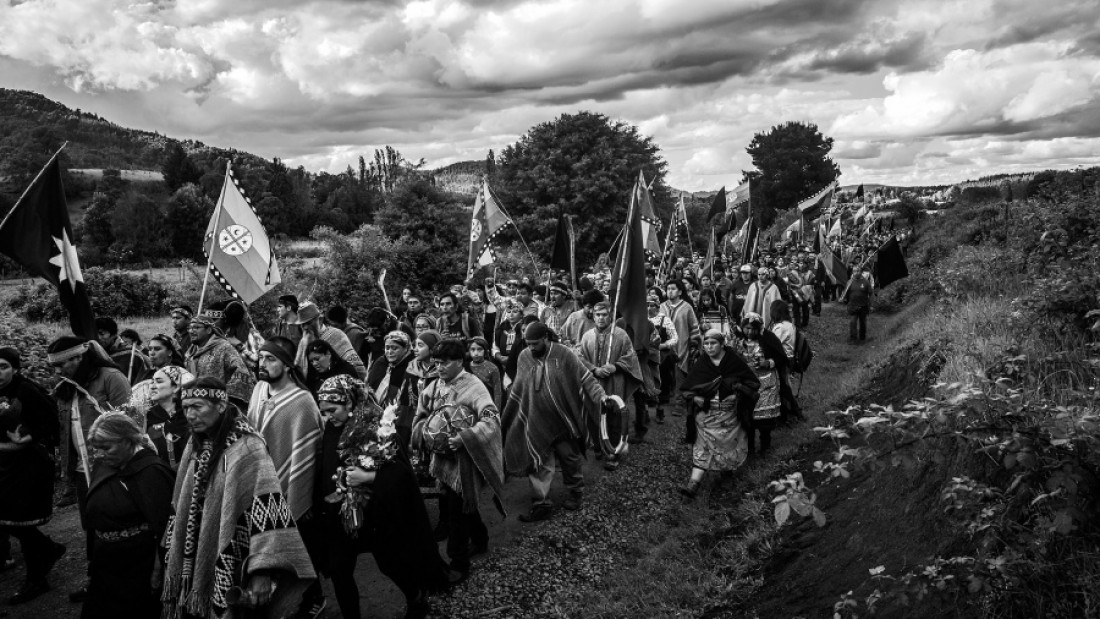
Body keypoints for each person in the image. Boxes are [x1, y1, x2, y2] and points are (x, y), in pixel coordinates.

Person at [162, 377, 316, 619]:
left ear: (221, 405)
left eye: (197, 406)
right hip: (196, 552)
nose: (190, 414)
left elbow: (269, 510)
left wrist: (261, 571)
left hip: (236, 556)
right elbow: (180, 500)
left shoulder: (248, 447)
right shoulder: (196, 441)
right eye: (185, 407)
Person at [314, 376, 454, 619]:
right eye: (323, 412)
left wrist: (368, 479)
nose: (327, 417)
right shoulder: (331, 428)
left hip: (376, 515)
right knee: (339, 570)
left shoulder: (378, 427)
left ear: (349, 402)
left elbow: (401, 475)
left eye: (332, 410)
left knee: (389, 563)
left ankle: (416, 598)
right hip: (340, 516)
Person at [246, 337, 326, 618]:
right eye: (261, 358)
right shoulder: (258, 389)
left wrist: (298, 492)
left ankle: (312, 597)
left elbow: (308, 451)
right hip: (258, 480)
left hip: (287, 482)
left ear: (288, 365)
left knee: (297, 546)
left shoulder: (302, 401)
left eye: (271, 359)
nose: (263, 364)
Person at [411, 339, 505, 576]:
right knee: (463, 505)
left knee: (456, 513)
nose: (439, 367)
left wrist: (464, 438)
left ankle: (459, 564)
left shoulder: (475, 387)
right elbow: (421, 415)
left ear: (459, 362)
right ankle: (481, 539)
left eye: (444, 363)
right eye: (436, 362)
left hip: (465, 461)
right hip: (442, 461)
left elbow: (492, 419)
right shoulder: (434, 386)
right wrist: (426, 432)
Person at [48, 335, 131, 603]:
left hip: (109, 468)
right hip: (83, 472)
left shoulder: (111, 378)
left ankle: (120, 580)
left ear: (79, 358)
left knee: (115, 524)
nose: (58, 371)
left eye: (63, 365)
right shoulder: (66, 385)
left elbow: (129, 422)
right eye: (55, 367)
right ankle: (97, 578)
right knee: (92, 524)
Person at [502, 322, 611, 523]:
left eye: (535, 343)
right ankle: (540, 502)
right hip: (536, 418)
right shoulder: (524, 356)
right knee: (539, 461)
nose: (531, 347)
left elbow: (586, 379)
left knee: (569, 458)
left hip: (563, 420)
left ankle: (575, 493)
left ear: (546, 338)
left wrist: (602, 397)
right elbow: (519, 387)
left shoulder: (564, 354)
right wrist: (511, 412)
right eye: (528, 343)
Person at [82, 413, 174, 619]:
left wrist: (158, 572)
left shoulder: (153, 472)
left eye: (106, 448)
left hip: (137, 568)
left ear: (126, 440)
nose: (100, 454)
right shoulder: (106, 467)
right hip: (106, 565)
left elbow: (165, 529)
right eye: (98, 448)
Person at [0, 347, 65, 605]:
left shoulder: (27, 390)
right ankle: (48, 550)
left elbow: (51, 421)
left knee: (20, 521)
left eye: (3, 366)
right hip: (6, 465)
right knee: (7, 519)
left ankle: (37, 579)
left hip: (30, 466)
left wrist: (27, 438)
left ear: (15, 368)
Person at [677, 330, 759, 498]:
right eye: (706, 344)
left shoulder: (734, 361)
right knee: (702, 448)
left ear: (722, 344)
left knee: (728, 447)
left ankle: (726, 475)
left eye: (713, 343)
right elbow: (687, 389)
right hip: (706, 418)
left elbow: (752, 383)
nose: (709, 347)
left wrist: (737, 390)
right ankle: (693, 484)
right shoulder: (702, 363)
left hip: (729, 418)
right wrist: (696, 398)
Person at [579, 302, 642, 469]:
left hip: (615, 381)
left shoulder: (620, 335)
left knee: (614, 416)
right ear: (593, 316)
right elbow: (580, 358)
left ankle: (613, 452)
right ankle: (599, 446)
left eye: (604, 314)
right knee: (594, 416)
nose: (601, 318)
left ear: (611, 316)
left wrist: (615, 366)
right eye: (598, 314)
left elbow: (630, 356)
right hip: (593, 382)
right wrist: (593, 369)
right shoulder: (587, 336)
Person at [737, 313, 787, 457]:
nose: (750, 332)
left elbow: (781, 357)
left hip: (766, 383)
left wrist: (768, 362)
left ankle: (765, 446)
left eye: (753, 328)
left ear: (759, 328)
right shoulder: (738, 341)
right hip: (747, 384)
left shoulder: (768, 339)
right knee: (747, 418)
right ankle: (750, 449)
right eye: (747, 328)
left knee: (765, 420)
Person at [184, 308, 255, 404]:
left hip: (218, 404)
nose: (191, 331)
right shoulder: (189, 354)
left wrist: (225, 397)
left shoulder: (223, 347)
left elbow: (241, 372)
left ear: (209, 330)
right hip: (195, 404)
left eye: (196, 327)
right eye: (190, 328)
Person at [365, 331, 416, 448]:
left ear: (406, 348)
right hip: (377, 414)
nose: (389, 352)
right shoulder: (381, 363)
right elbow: (370, 388)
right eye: (387, 348)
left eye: (395, 348)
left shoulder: (412, 367)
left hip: (400, 417)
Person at [296, 301, 368, 380]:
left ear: (320, 319)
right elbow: (298, 371)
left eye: (308, 322)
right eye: (302, 324)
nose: (305, 327)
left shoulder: (336, 335)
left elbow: (356, 368)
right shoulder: (303, 343)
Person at [661, 280, 701, 412]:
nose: (670, 291)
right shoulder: (662, 307)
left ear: (680, 291)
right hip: (664, 346)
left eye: (673, 289)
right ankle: (663, 398)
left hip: (682, 345)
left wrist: (694, 344)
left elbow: (694, 327)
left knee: (680, 374)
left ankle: (680, 402)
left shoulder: (687, 307)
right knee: (664, 372)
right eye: (668, 289)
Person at [146, 366, 194, 470]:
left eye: (158, 382)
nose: (152, 387)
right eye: (151, 382)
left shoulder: (190, 416)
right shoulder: (147, 417)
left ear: (175, 387)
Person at [646, 293, 678, 425]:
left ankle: (660, 410)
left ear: (657, 306)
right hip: (646, 357)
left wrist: (663, 345)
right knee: (647, 383)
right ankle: (645, 412)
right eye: (646, 305)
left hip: (662, 358)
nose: (648, 308)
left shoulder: (665, 320)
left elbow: (675, 338)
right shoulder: (642, 320)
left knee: (663, 383)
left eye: (651, 305)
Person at [95, 316, 150, 384]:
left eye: (102, 334)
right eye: (95, 334)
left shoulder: (131, 354)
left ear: (113, 335)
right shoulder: (93, 353)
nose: (98, 338)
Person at [492, 301, 525, 380]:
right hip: (502, 363)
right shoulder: (502, 327)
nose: (511, 315)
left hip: (519, 365)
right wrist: (499, 356)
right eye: (509, 312)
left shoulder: (524, 328)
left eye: (515, 312)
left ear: (521, 315)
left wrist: (511, 359)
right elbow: (495, 346)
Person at [467, 337, 502, 407]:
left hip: (486, 404)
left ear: (486, 351)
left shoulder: (492, 368)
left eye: (479, 349)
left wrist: (496, 411)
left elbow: (497, 392)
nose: (476, 353)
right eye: (473, 349)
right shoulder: (465, 367)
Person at [843, 263, 873, 342]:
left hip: (863, 306)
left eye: (858, 271)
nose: (856, 273)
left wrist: (871, 305)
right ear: (852, 272)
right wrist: (845, 301)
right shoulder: (849, 282)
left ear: (861, 272)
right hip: (853, 306)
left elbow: (870, 294)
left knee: (862, 323)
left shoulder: (866, 282)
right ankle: (853, 338)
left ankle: (862, 337)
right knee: (853, 322)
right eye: (854, 271)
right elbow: (846, 293)